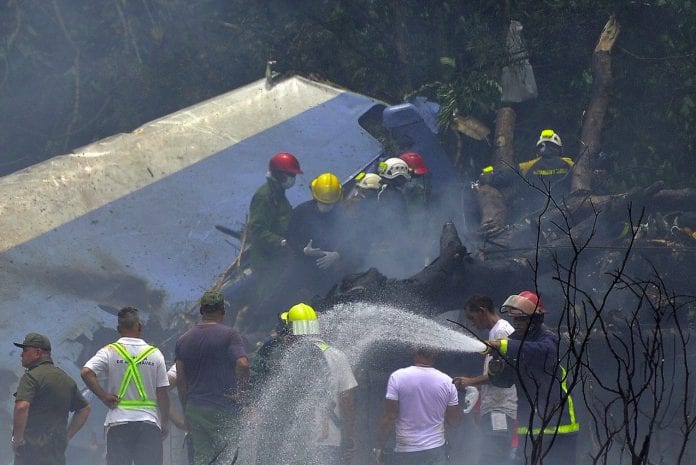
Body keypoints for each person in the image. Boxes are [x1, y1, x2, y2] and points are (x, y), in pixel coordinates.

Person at [485, 291, 579, 465]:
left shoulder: (548, 339)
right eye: (515, 320)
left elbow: (542, 352)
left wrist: (504, 345)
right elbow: (505, 381)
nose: (517, 324)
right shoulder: (513, 342)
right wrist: (495, 369)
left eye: (522, 319)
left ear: (536, 320)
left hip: (559, 426)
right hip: (528, 427)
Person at [81, 307, 170, 465]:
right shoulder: (155, 354)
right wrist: (164, 421)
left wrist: (104, 396)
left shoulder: (109, 351)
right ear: (140, 327)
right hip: (149, 423)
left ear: (118, 329)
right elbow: (163, 392)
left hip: (118, 423)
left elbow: (86, 372)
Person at [175, 290, 250, 465]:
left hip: (196, 408)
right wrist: (242, 394)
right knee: (230, 456)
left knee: (203, 459)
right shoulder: (230, 335)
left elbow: (180, 379)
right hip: (223, 408)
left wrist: (186, 407)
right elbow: (243, 364)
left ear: (201, 311)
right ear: (223, 311)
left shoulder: (183, 340)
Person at [452, 294, 517, 465]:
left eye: (471, 318)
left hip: (501, 408)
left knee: (494, 456)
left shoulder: (500, 331)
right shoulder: (496, 331)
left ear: (482, 311)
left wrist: (470, 381)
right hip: (497, 407)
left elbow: (502, 375)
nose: (471, 323)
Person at [12, 333, 91, 465]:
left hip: (30, 449)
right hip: (56, 450)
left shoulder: (31, 377)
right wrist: (66, 437)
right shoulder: (66, 379)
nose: (21, 354)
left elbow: (22, 407)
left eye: (25, 350)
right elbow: (85, 409)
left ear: (38, 352)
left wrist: (18, 440)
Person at [374, 346, 462, 465]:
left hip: (405, 452)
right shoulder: (447, 382)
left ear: (413, 350)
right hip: (435, 451)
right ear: (436, 353)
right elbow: (455, 421)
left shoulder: (397, 377)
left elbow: (389, 417)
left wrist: (379, 447)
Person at [284, 172, 357, 298]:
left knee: (330, 301)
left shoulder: (341, 215)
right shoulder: (301, 211)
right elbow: (290, 237)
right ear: (315, 196)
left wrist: (337, 255)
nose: (325, 206)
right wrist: (303, 250)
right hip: (299, 265)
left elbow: (351, 241)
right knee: (276, 299)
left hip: (325, 267)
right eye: (322, 202)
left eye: (329, 203)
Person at [247, 152, 303, 301]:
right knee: (267, 298)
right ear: (280, 175)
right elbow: (257, 229)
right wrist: (281, 242)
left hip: (276, 257)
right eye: (291, 174)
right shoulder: (265, 196)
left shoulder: (278, 194)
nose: (293, 179)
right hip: (266, 259)